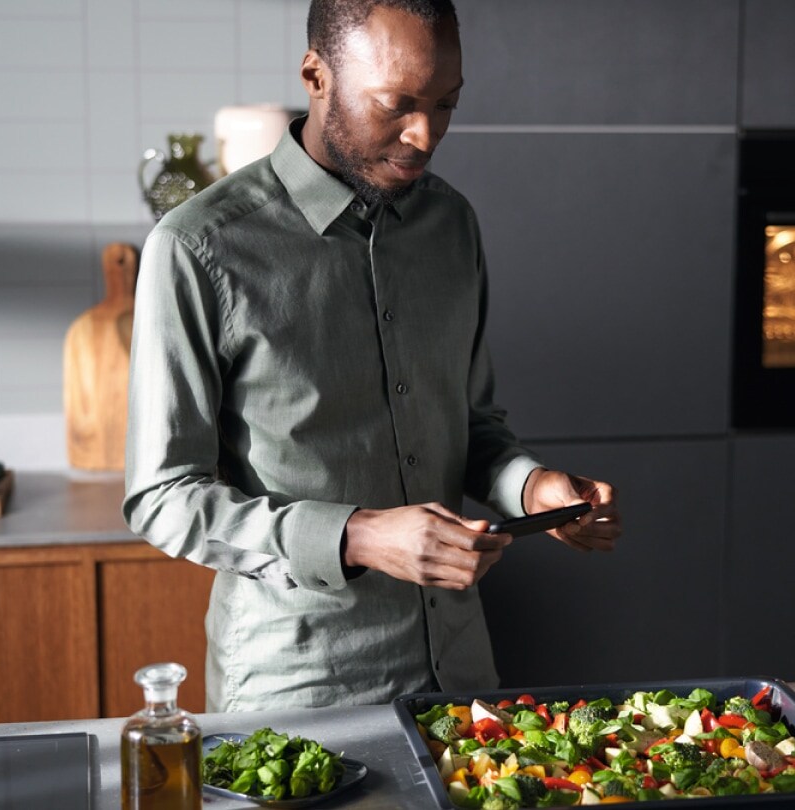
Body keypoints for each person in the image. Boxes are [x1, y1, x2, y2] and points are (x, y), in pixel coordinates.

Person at [122, 0, 621, 712]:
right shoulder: (199, 247)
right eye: (397, 104)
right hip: (299, 688)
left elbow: (472, 426)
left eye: (446, 104)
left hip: (460, 675)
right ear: (315, 75)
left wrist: (533, 489)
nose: (424, 134)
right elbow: (162, 498)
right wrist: (357, 535)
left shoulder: (451, 225)